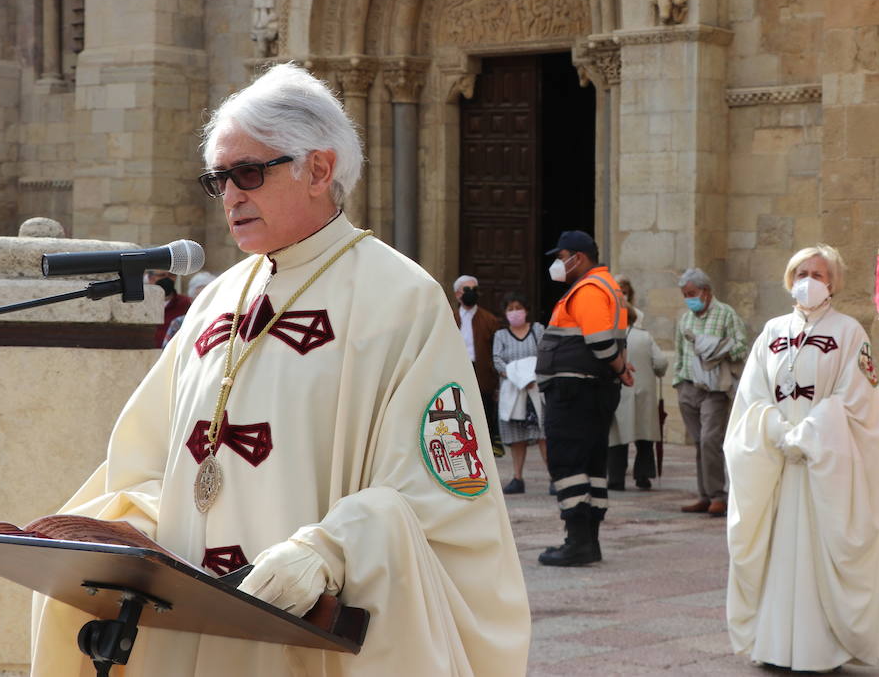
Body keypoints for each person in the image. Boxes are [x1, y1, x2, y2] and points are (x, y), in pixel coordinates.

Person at [30, 62, 530, 676]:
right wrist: (119, 527)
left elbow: (441, 489)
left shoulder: (399, 298)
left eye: (247, 173)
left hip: (297, 628)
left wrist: (326, 550)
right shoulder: (216, 300)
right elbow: (148, 460)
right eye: (219, 180)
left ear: (318, 170)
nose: (231, 195)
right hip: (187, 624)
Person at [724, 244, 879, 671]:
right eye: (801, 272)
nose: (809, 281)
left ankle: (821, 649)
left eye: (818, 273)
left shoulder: (850, 332)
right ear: (789, 278)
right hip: (777, 460)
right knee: (776, 549)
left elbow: (857, 398)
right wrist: (776, 430)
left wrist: (811, 434)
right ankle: (774, 644)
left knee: (818, 549)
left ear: (832, 281)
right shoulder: (772, 331)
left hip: (823, 462)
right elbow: (752, 394)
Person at [535, 230, 632, 566]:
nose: (558, 265)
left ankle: (577, 542)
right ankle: (588, 541)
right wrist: (618, 367)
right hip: (590, 389)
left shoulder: (589, 288)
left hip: (575, 392)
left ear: (579, 257)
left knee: (569, 463)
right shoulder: (606, 287)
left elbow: (601, 341)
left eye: (561, 258)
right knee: (591, 466)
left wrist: (620, 367)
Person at [673, 267, 747, 517]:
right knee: (698, 443)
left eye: (692, 293)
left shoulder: (726, 314)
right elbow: (679, 352)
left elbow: (741, 347)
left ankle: (718, 495)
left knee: (710, 440)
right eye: (685, 294)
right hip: (688, 386)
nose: (688, 298)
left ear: (706, 292)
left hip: (714, 389)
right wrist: (678, 382)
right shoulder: (685, 319)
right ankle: (704, 495)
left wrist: (716, 348)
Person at [607, 303, 667, 490]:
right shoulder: (645, 337)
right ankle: (643, 476)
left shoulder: (609, 337)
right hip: (643, 393)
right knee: (644, 437)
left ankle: (616, 478)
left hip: (618, 392)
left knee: (617, 438)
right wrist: (656, 371)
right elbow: (661, 361)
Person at [492, 291, 547, 495]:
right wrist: (518, 378)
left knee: (543, 434)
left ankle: (553, 476)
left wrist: (532, 378)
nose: (515, 312)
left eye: (518, 308)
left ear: (526, 310)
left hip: (536, 389)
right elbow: (497, 360)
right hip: (513, 392)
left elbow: (545, 354)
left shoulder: (538, 330)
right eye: (510, 309)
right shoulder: (501, 335)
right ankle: (517, 477)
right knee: (517, 436)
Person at [452, 273, 505, 457]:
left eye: (475, 290)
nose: (472, 293)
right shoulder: (450, 318)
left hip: (482, 370)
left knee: (484, 408)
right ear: (458, 294)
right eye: (467, 290)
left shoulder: (489, 320)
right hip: (458, 369)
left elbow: (496, 349)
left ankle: (489, 446)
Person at [147, 269, 193, 348]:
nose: (167, 279)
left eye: (171, 275)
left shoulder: (186, 303)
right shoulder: (142, 305)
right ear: (151, 278)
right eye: (162, 275)